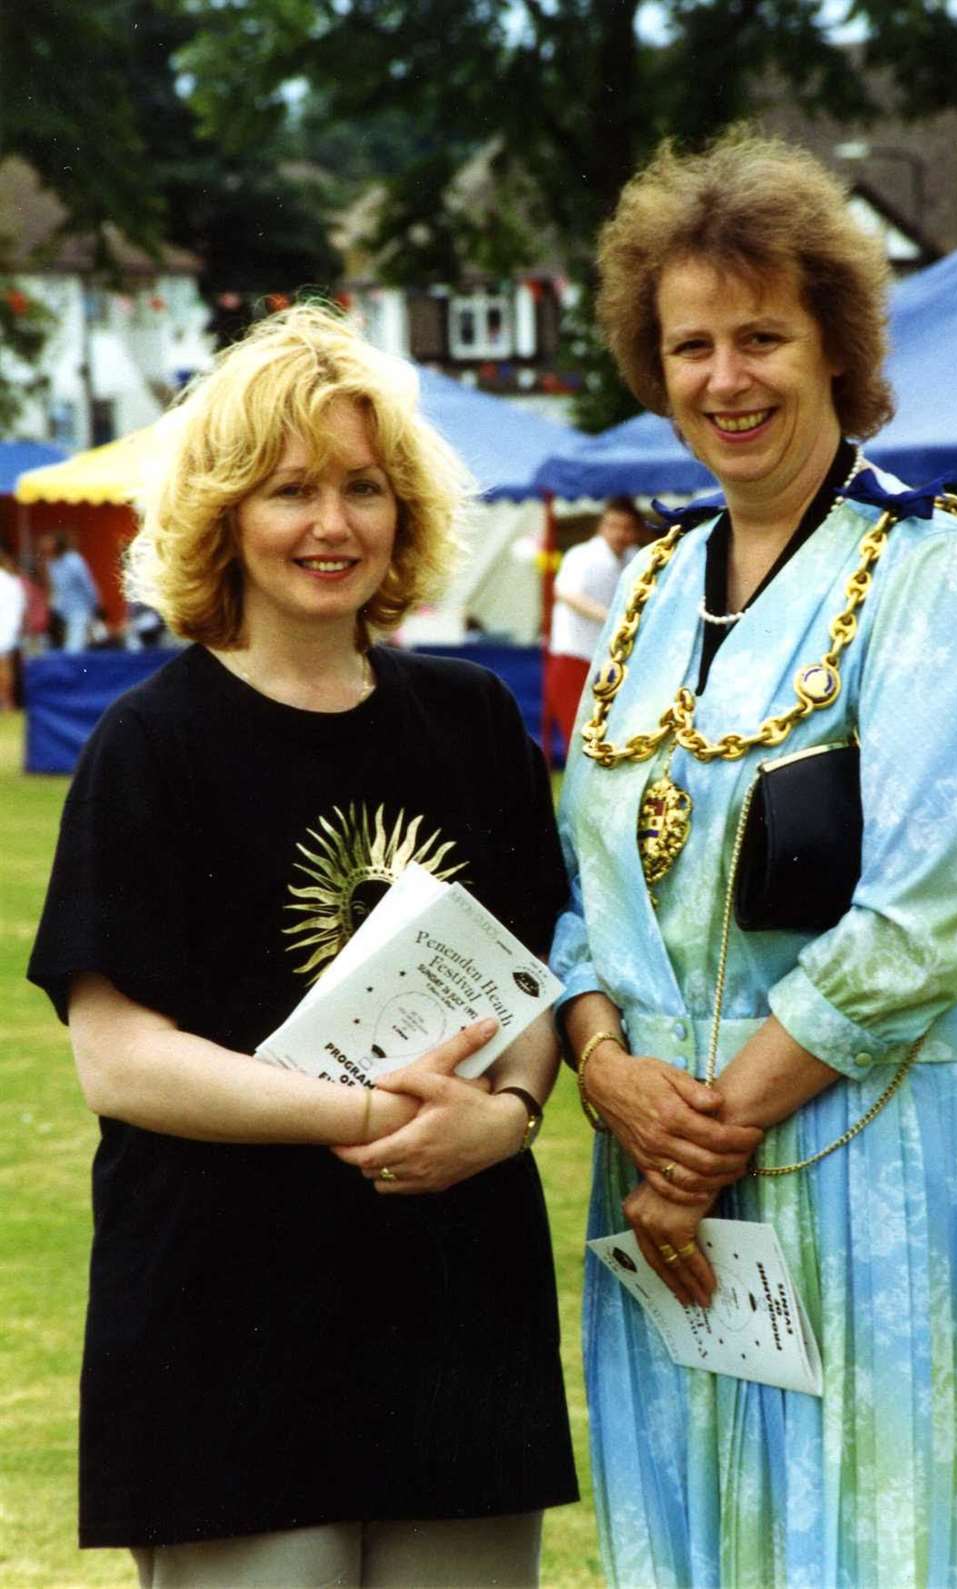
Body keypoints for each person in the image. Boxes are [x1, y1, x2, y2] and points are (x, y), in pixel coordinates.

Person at [552, 129, 957, 1588]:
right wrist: (606, 1072)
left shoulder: (932, 574)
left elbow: (926, 914)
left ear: (836, 341)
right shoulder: (644, 589)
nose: (727, 378)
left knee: (889, 1537)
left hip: (869, 1166)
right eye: (692, 344)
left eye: (763, 335)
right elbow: (582, 883)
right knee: (699, 1536)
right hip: (658, 1180)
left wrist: (696, 1143)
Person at [28, 304, 577, 1588]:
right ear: (224, 512)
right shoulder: (149, 744)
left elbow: (536, 979)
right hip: (230, 1324)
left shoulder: (473, 718)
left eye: (363, 487)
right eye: (289, 489)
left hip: (458, 1315)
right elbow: (119, 1060)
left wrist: (507, 1113)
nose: (332, 524)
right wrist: (370, 1105)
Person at [546, 496, 641, 752]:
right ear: (602, 527)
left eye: (626, 527)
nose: (619, 534)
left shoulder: (636, 558)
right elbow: (565, 593)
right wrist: (609, 616)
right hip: (575, 656)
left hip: (611, 659)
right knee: (579, 735)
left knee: (610, 734)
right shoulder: (583, 555)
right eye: (613, 526)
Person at [40, 531, 102, 651]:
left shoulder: (73, 560)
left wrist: (97, 604)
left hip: (79, 609)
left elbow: (87, 584)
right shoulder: (51, 564)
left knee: (74, 647)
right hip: (62, 612)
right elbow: (55, 588)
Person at [0, 546, 27, 709]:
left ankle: (5, 702)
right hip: (10, 632)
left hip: (6, 631)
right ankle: (6, 702)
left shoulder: (8, 581)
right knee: (6, 669)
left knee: (5, 670)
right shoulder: (13, 582)